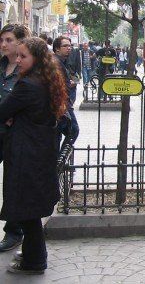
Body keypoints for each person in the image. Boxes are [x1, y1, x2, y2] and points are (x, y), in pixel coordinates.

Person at [0, 37, 68, 274]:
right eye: (17, 56)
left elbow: (3, 111)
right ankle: (32, 255)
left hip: (26, 155)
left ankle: (35, 260)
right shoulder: (46, 80)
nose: (17, 61)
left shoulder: (27, 85)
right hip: (39, 153)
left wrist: (11, 118)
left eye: (23, 56)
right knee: (30, 209)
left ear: (36, 59)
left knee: (26, 209)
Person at [0, 24, 31, 253]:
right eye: (1, 40)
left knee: (12, 184)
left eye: (8, 40)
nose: (3, 44)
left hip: (14, 135)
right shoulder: (1, 66)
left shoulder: (26, 70)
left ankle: (13, 232)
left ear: (20, 41)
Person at [53, 36, 80, 146]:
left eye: (70, 46)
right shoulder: (55, 63)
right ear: (57, 49)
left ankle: (58, 159)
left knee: (59, 132)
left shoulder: (62, 62)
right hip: (61, 103)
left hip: (63, 103)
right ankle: (60, 159)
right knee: (73, 130)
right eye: (65, 46)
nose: (69, 48)